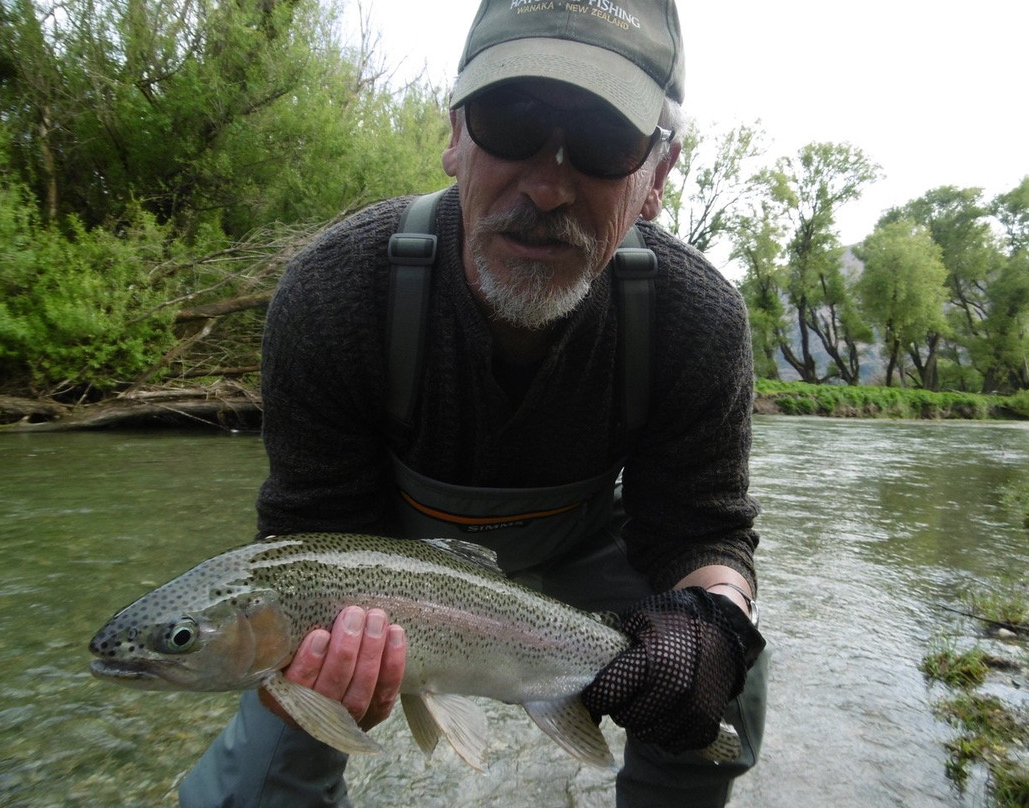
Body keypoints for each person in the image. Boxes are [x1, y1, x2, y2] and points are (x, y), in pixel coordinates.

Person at [180, 1, 768, 806]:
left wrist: (712, 621)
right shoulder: (336, 293)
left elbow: (701, 532)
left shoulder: (694, 319)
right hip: (379, 563)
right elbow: (310, 536)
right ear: (456, 133)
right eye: (509, 120)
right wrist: (345, 675)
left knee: (728, 663)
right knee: (250, 785)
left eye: (602, 142)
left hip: (591, 551)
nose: (548, 184)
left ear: (657, 176)